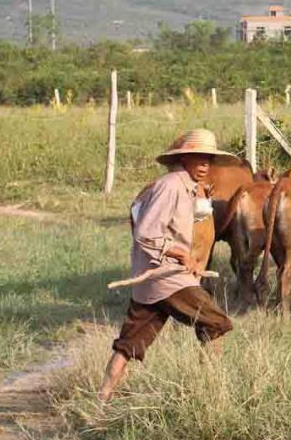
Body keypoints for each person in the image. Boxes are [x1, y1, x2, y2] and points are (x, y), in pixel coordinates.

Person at [98, 129, 238, 402]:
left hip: (150, 283)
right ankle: (208, 393)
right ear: (184, 158)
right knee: (217, 322)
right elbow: (146, 233)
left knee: (128, 345)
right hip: (168, 278)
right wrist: (182, 255)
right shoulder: (171, 186)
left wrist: (188, 258)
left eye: (209, 159)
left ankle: (101, 402)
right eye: (198, 157)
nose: (205, 164)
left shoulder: (186, 188)